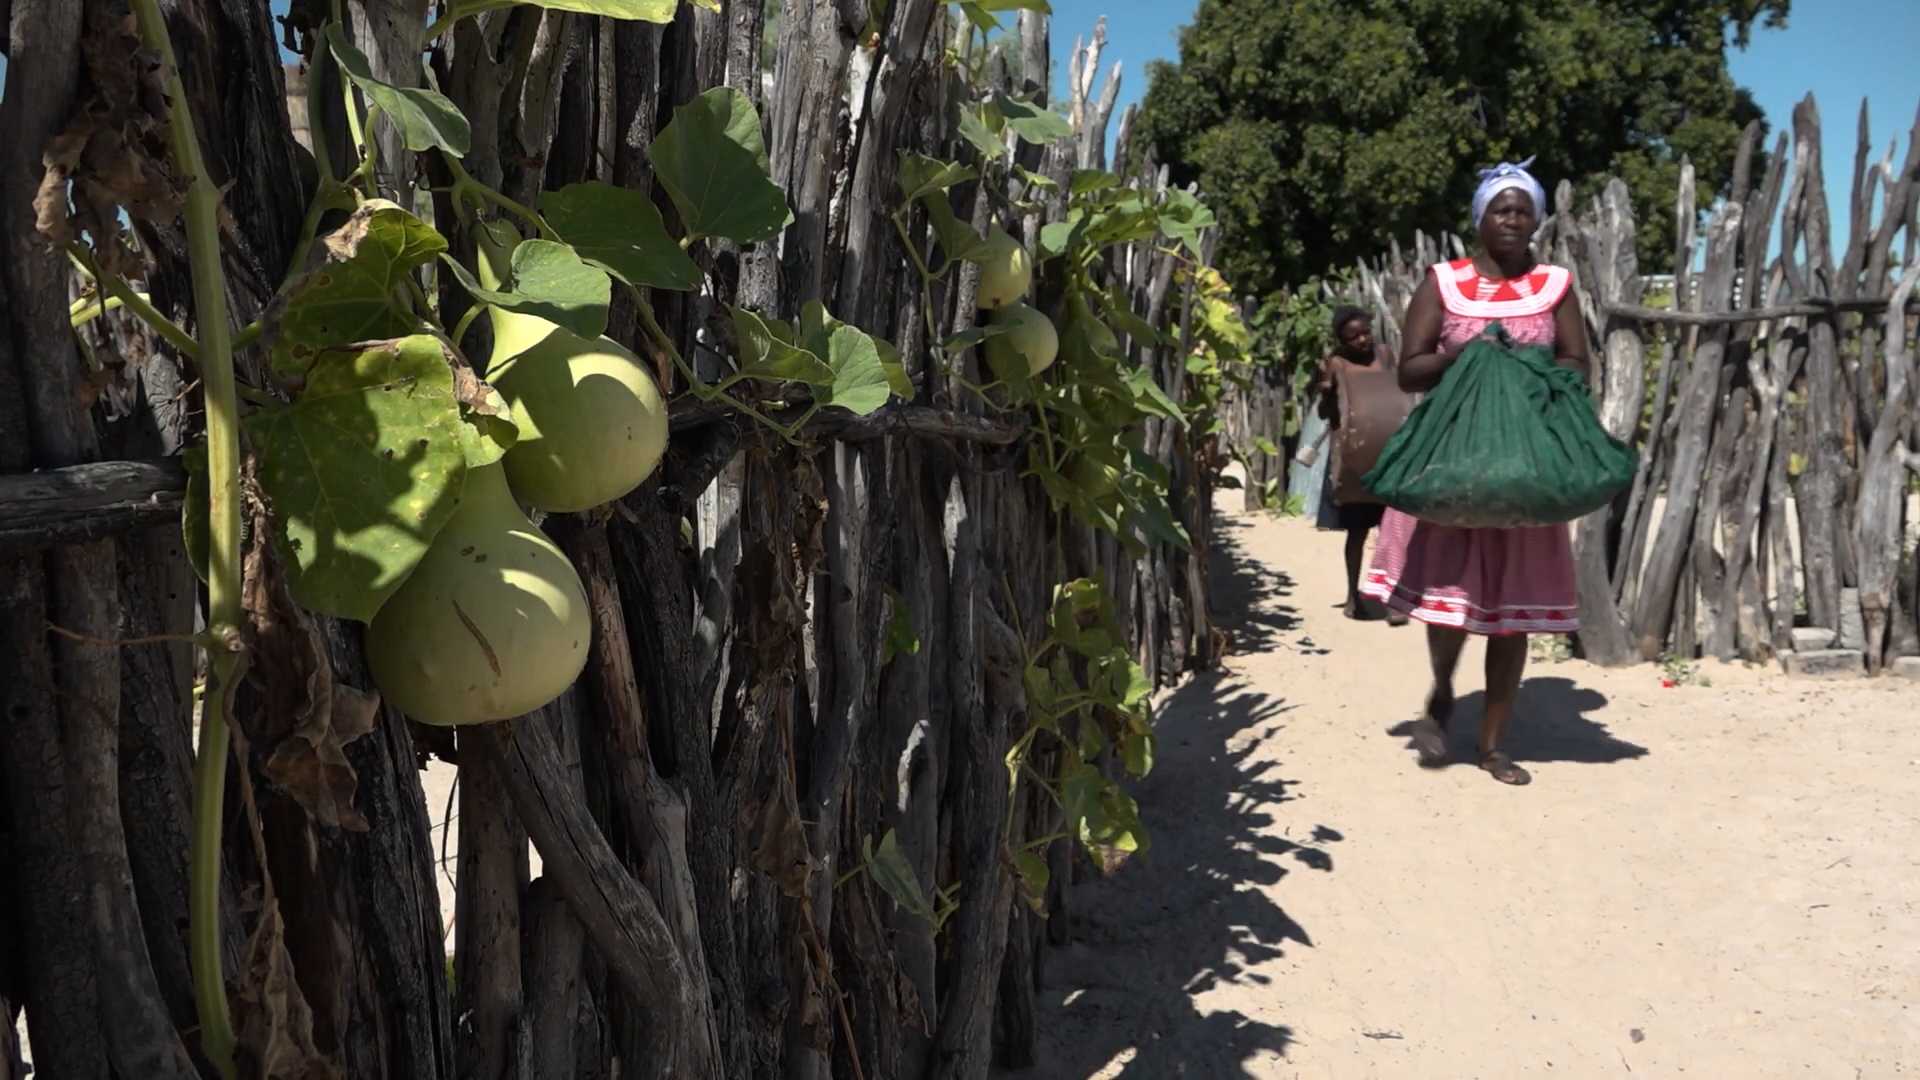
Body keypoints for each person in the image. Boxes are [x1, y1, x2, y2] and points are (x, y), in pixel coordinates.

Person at [1358, 158, 1589, 787]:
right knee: (1451, 602)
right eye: (1500, 208)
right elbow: (1408, 370)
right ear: (1479, 218)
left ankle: (1491, 745)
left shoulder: (1555, 288)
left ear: (1536, 219)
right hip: (1454, 461)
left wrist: (1529, 374)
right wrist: (1463, 355)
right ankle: (1441, 689)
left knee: (1513, 610)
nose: (1512, 219)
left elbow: (1576, 363)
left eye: (1522, 209)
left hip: (1524, 464)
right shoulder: (1443, 284)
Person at [1313, 307, 1407, 625]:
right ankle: (1354, 596)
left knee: (1391, 533)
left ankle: (1392, 598)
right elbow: (1327, 414)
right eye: (1352, 338)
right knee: (1357, 532)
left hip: (1388, 456)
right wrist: (1325, 392)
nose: (1362, 340)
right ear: (1341, 340)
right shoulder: (1337, 364)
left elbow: (1398, 396)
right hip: (1354, 458)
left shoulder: (1385, 355)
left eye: (1364, 332)